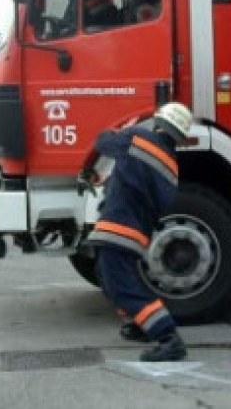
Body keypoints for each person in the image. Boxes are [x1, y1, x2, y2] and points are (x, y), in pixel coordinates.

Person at [80, 102, 193, 362]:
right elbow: (140, 188)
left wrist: (122, 129)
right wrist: (112, 183)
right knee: (108, 278)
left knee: (123, 287)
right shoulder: (171, 169)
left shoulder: (139, 139)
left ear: (158, 124)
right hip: (135, 235)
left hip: (116, 228)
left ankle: (169, 338)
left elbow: (102, 142)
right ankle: (140, 324)